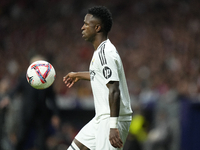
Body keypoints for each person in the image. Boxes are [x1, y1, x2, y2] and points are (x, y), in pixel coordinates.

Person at [63, 6, 133, 150]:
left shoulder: (106, 53)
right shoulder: (100, 52)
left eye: (86, 24)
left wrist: (113, 127)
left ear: (97, 28)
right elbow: (100, 76)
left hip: (112, 119)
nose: (82, 28)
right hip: (101, 117)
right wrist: (78, 75)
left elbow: (114, 90)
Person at [0, 55, 60, 150]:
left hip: (40, 114)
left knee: (41, 142)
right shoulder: (25, 77)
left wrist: (55, 114)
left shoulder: (47, 80)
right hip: (27, 113)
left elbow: (52, 98)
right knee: (21, 138)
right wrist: (8, 98)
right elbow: (16, 89)